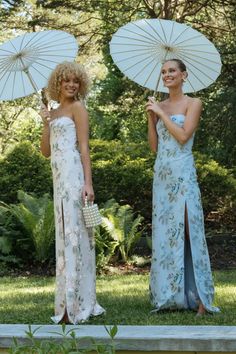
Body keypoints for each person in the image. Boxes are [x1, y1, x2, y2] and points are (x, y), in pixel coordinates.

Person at [146, 58, 219, 316]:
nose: (167, 75)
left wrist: (163, 114)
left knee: (190, 231)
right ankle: (170, 295)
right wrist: (151, 117)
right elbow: (155, 147)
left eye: (172, 71)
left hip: (183, 173)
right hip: (162, 176)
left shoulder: (193, 103)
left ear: (183, 75)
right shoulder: (159, 105)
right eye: (163, 71)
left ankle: (201, 298)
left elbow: (183, 136)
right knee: (167, 235)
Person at [40, 61, 105, 324]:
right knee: (64, 236)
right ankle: (66, 303)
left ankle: (79, 303)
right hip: (59, 181)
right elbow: (45, 152)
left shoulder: (79, 108)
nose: (71, 84)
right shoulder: (53, 112)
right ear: (57, 83)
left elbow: (84, 148)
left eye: (75, 81)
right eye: (66, 80)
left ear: (80, 84)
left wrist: (88, 183)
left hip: (75, 177)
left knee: (76, 236)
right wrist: (46, 122)